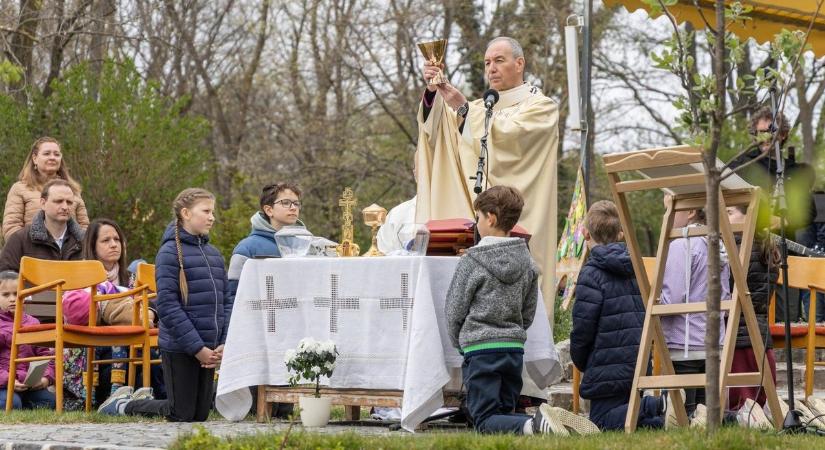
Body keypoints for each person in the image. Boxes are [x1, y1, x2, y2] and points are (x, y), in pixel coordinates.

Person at [415, 36, 559, 312]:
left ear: (520, 64)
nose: (491, 68)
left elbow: (511, 138)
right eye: (487, 62)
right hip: (473, 228)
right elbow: (439, 131)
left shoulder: (541, 107)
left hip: (520, 228)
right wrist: (434, 91)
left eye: (499, 61)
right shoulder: (480, 107)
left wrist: (463, 108)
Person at [446, 186, 590, 435]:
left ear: (490, 217)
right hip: (513, 349)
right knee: (505, 411)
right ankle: (548, 420)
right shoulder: (527, 263)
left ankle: (536, 424)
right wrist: (512, 332)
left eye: (478, 217)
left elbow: (454, 310)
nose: (476, 223)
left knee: (484, 421)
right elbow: (528, 312)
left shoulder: (471, 261)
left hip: (480, 349)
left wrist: (461, 342)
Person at [99, 188, 231, 421]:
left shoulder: (214, 255)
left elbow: (226, 301)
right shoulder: (169, 253)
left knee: (200, 415)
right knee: (180, 413)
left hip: (209, 347)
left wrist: (222, 342)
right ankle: (124, 405)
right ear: (186, 213)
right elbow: (168, 306)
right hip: (181, 346)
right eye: (206, 211)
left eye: (213, 211)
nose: (212, 217)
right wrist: (197, 349)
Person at [571, 200, 664, 431]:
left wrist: (582, 361)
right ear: (621, 234)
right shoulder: (638, 269)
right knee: (635, 423)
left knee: (600, 423)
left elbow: (582, 329)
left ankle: (656, 405)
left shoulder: (591, 275)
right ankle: (663, 414)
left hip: (605, 369)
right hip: (639, 364)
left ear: (585, 233)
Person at [62, 219, 159, 409]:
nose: (114, 244)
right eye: (106, 240)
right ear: (92, 246)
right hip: (90, 357)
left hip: (132, 348)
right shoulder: (80, 275)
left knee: (151, 351)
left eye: (117, 239)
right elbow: (75, 316)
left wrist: (150, 312)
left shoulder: (131, 279)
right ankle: (114, 397)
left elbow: (150, 305)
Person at [227, 182, 301, 418]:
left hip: (292, 325)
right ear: (268, 210)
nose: (293, 208)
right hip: (259, 326)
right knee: (256, 406)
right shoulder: (248, 247)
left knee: (284, 411)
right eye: (286, 203)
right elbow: (233, 291)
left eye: (296, 203)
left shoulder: (304, 244)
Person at [660, 205, 731, 418]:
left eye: (668, 209)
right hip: (713, 342)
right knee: (706, 415)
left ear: (690, 211)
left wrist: (653, 303)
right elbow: (725, 297)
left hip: (684, 342)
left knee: (681, 414)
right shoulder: (718, 244)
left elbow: (671, 298)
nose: (666, 216)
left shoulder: (682, 243)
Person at [726, 206, 779, 410]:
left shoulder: (737, 248)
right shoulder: (767, 246)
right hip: (759, 338)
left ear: (749, 217)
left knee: (743, 407)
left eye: (729, 213)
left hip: (739, 339)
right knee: (758, 405)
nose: (723, 217)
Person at [3, 137, 89, 242]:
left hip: (69, 255)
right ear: (35, 158)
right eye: (47, 153)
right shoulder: (19, 189)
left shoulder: (72, 190)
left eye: (57, 154)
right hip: (32, 254)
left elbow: (85, 227)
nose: (52, 157)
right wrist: (30, 247)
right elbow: (11, 227)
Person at [0, 179, 85, 272]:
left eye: (69, 202)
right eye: (58, 201)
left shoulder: (85, 242)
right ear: (43, 203)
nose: (65, 207)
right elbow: (5, 276)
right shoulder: (20, 239)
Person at [0, 270, 56, 409]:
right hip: (3, 384)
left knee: (50, 402)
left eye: (17, 293)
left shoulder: (33, 323)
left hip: (29, 385)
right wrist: (8, 380)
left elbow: (46, 356)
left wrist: (45, 379)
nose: (13, 299)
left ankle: (22, 404)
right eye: (6, 295)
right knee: (11, 403)